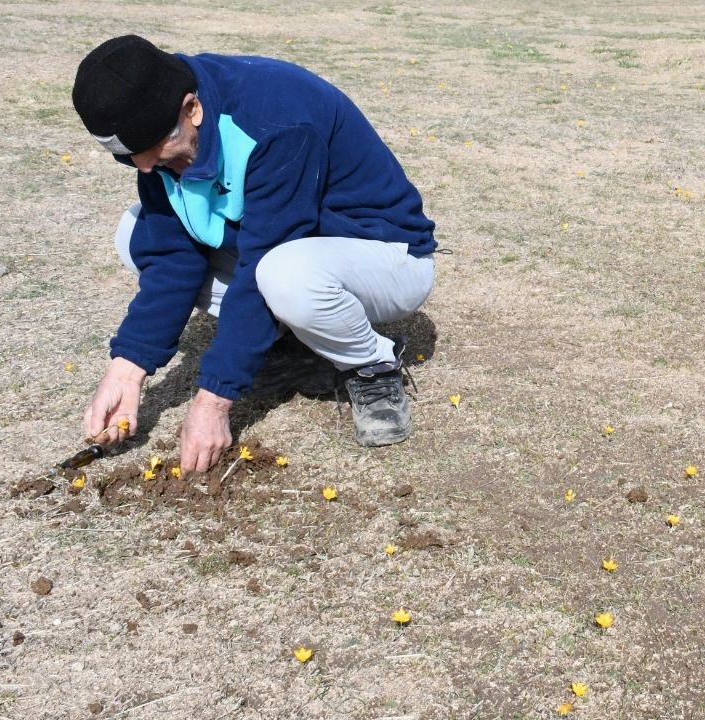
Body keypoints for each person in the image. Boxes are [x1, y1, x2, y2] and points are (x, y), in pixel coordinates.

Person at [71, 35, 437, 474]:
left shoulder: (277, 122)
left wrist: (214, 400)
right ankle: (291, 337)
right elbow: (172, 256)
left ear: (193, 109)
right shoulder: (158, 130)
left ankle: (372, 365)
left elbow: (266, 255)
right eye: (132, 158)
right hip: (293, 249)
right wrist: (127, 370)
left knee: (283, 275)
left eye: (153, 152)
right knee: (136, 232)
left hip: (385, 255)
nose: (146, 169)